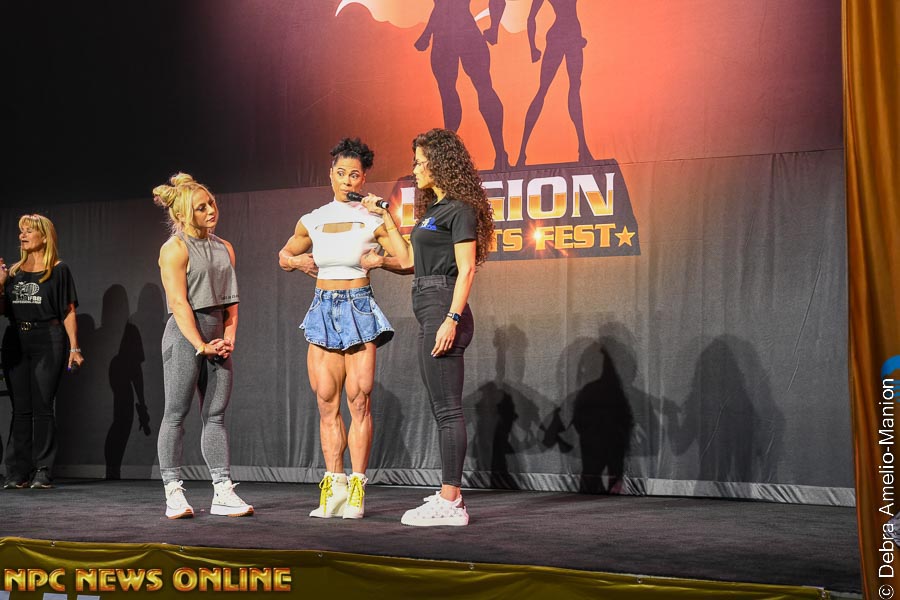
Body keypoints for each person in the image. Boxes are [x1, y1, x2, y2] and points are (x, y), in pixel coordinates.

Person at [361, 128, 494, 526]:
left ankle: (451, 502)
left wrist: (452, 319)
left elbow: (467, 269)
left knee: (448, 410)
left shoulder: (460, 209)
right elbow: (408, 261)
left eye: (420, 162)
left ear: (439, 164)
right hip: (428, 304)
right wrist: (382, 239)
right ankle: (449, 494)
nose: (415, 168)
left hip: (443, 306)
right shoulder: (434, 210)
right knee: (442, 409)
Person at [278, 138, 409, 519]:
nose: (347, 180)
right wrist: (297, 263)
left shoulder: (373, 217)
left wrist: (382, 250)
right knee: (326, 401)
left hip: (358, 307)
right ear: (331, 174)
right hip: (323, 307)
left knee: (359, 401)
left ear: (363, 178)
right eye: (341, 173)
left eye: (354, 174)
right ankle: (333, 488)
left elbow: (407, 260)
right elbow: (284, 254)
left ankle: (356, 489)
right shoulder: (313, 218)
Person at [152, 172, 253, 519]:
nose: (211, 210)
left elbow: (231, 301)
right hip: (185, 336)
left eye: (211, 203)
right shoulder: (174, 249)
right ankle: (173, 492)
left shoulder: (225, 247)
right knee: (175, 414)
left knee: (215, 415)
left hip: (216, 336)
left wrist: (229, 337)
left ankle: (223, 490)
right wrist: (200, 344)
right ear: (182, 215)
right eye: (201, 207)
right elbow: (179, 303)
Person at [0, 214, 84, 489]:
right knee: (20, 408)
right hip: (16, 339)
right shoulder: (13, 272)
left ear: (45, 237)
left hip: (48, 339)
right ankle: (17, 472)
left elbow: (68, 311)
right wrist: (0, 284)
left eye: (29, 231)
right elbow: (3, 310)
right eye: (21, 231)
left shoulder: (59, 270)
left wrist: (74, 347)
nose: (22, 236)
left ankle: (43, 470)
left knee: (43, 407)